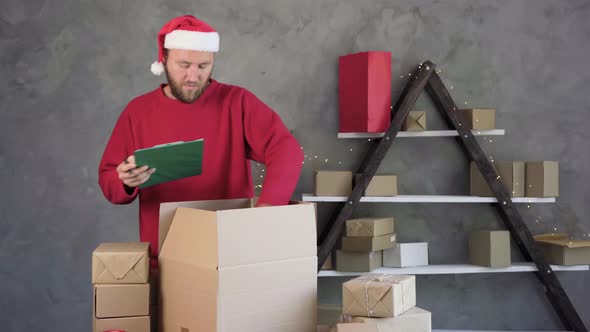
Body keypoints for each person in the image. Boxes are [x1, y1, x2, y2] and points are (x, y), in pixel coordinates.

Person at [98, 15, 304, 267]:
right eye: (183, 65)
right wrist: (125, 181)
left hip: (230, 253)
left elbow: (286, 150)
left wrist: (267, 209)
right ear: (164, 60)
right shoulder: (138, 111)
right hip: (164, 258)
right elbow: (109, 181)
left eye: (203, 66)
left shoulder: (237, 102)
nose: (193, 76)